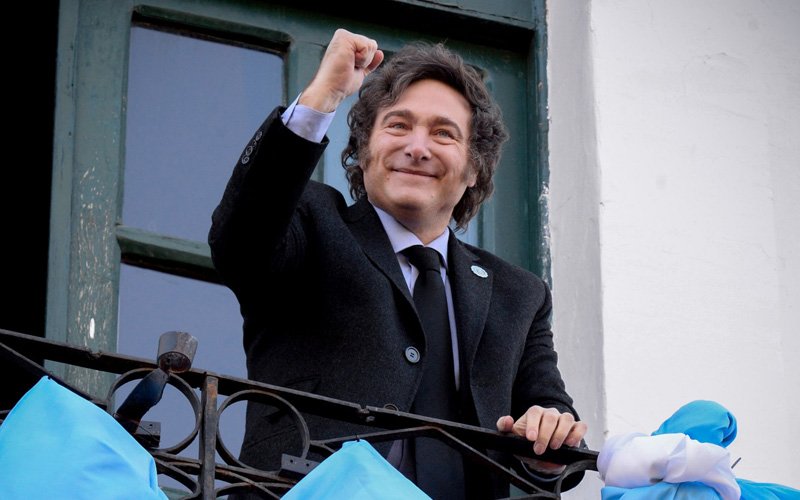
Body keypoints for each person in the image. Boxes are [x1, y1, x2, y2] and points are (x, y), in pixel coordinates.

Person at [209, 28, 587, 499]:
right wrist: (324, 95)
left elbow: (554, 426)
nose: (417, 147)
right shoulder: (310, 222)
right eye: (398, 126)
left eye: (443, 133)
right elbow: (240, 238)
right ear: (363, 150)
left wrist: (550, 434)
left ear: (474, 169)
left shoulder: (520, 294)